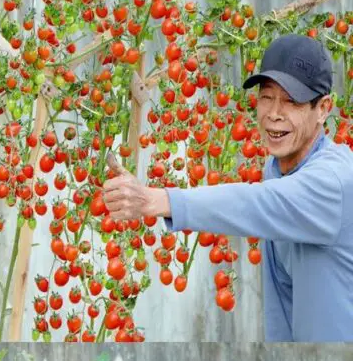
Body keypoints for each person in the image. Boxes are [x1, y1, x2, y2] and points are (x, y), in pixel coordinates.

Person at [102, 33, 353, 342]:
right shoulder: (277, 171)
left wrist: (160, 200)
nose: (274, 113)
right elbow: (283, 302)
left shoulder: (334, 182)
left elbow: (259, 203)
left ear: (323, 108)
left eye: (292, 101)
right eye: (266, 96)